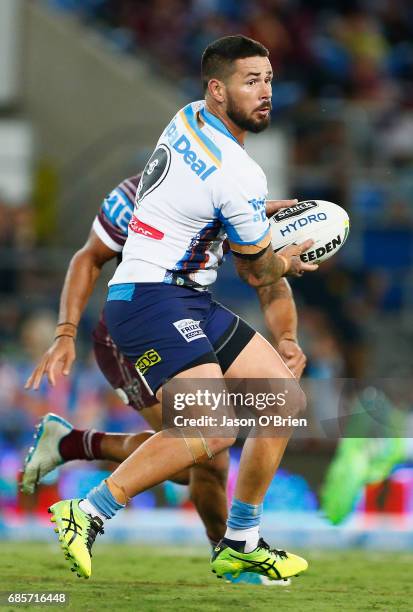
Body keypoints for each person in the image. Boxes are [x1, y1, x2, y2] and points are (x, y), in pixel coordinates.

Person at [47, 34, 318, 581]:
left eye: (268, 79)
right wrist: (287, 261)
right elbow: (258, 271)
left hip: (183, 295)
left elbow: (208, 198)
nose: (266, 92)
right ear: (217, 91)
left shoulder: (189, 116)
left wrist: (251, 218)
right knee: (213, 431)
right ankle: (87, 512)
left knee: (281, 400)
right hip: (149, 298)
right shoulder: (240, 173)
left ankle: (240, 539)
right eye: (251, 81)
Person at [23, 171, 305, 585]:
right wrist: (65, 332)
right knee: (202, 448)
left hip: (189, 312)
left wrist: (287, 338)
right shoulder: (133, 195)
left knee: (234, 428)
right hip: (134, 329)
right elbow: (89, 257)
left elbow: (265, 276)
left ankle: (233, 549)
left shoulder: (230, 194)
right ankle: (228, 553)